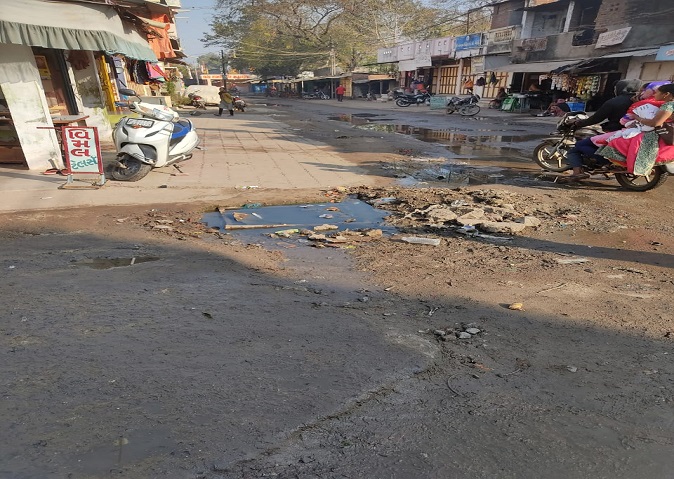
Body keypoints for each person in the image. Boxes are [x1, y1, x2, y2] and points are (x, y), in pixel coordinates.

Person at [563, 79, 641, 180]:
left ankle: (602, 164)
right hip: (637, 133)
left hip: (616, 132)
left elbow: (596, 118)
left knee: (578, 146)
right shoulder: (641, 101)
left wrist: (579, 123)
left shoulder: (614, 102)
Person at [596, 83, 674, 176]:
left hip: (656, 134)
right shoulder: (667, 104)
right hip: (663, 132)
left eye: (657, 92)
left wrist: (637, 117)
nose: (654, 95)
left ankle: (629, 166)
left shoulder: (668, 105)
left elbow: (655, 123)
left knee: (618, 142)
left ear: (666, 94)